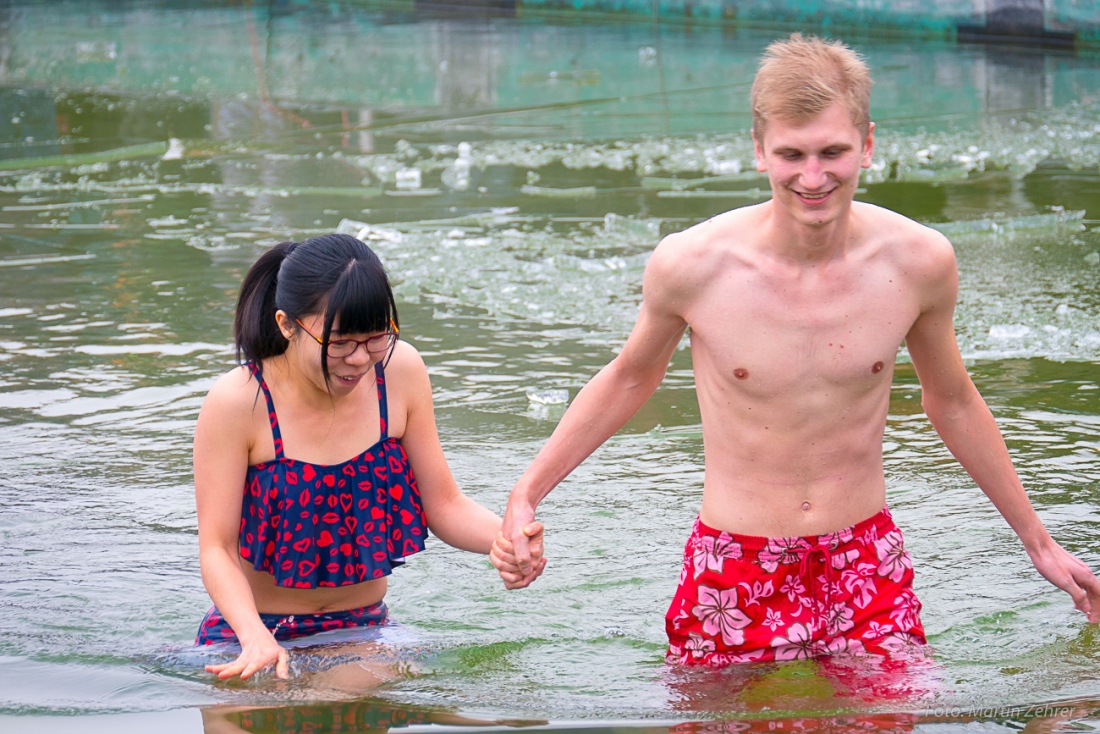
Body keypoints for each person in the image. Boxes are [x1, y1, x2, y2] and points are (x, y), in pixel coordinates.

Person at [492, 34, 1100, 665]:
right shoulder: (693, 265)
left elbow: (952, 401)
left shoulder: (919, 262)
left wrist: (1039, 543)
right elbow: (628, 380)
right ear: (759, 151)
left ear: (867, 143)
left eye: (833, 152)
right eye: (792, 155)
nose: (814, 178)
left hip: (865, 559)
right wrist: (527, 494)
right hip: (735, 562)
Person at [193, 233, 543, 681]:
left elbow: (445, 505)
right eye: (339, 343)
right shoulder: (237, 401)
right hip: (249, 634)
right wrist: (252, 634)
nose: (360, 360)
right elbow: (217, 548)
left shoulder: (400, 372)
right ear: (286, 324)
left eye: (376, 338)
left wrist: (506, 538)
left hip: (362, 633)